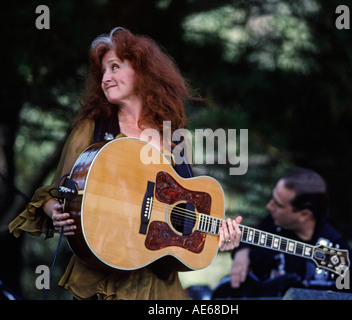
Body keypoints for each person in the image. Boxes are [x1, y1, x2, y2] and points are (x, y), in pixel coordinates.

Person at [9, 27, 242, 300]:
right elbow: (54, 194)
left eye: (115, 67)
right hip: (104, 277)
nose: (106, 78)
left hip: (158, 283)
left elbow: (182, 206)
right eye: (103, 72)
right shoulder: (91, 128)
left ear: (142, 70)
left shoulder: (173, 137)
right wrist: (54, 210)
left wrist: (218, 235)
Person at [213, 167, 352, 299]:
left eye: (278, 204)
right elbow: (248, 239)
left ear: (303, 214)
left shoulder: (339, 253)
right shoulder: (272, 224)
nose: (269, 206)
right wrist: (242, 253)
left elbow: (349, 295)